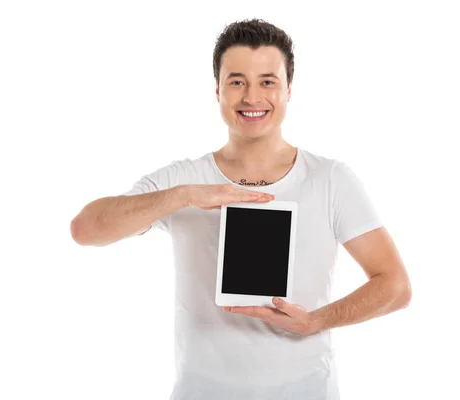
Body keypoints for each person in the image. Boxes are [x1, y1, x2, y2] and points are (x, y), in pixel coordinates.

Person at [70, 18, 411, 400]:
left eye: (267, 81)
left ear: (288, 90)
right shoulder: (186, 178)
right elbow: (86, 229)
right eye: (237, 82)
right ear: (217, 91)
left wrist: (316, 320)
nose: (251, 97)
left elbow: (395, 286)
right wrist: (184, 196)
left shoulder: (330, 179)